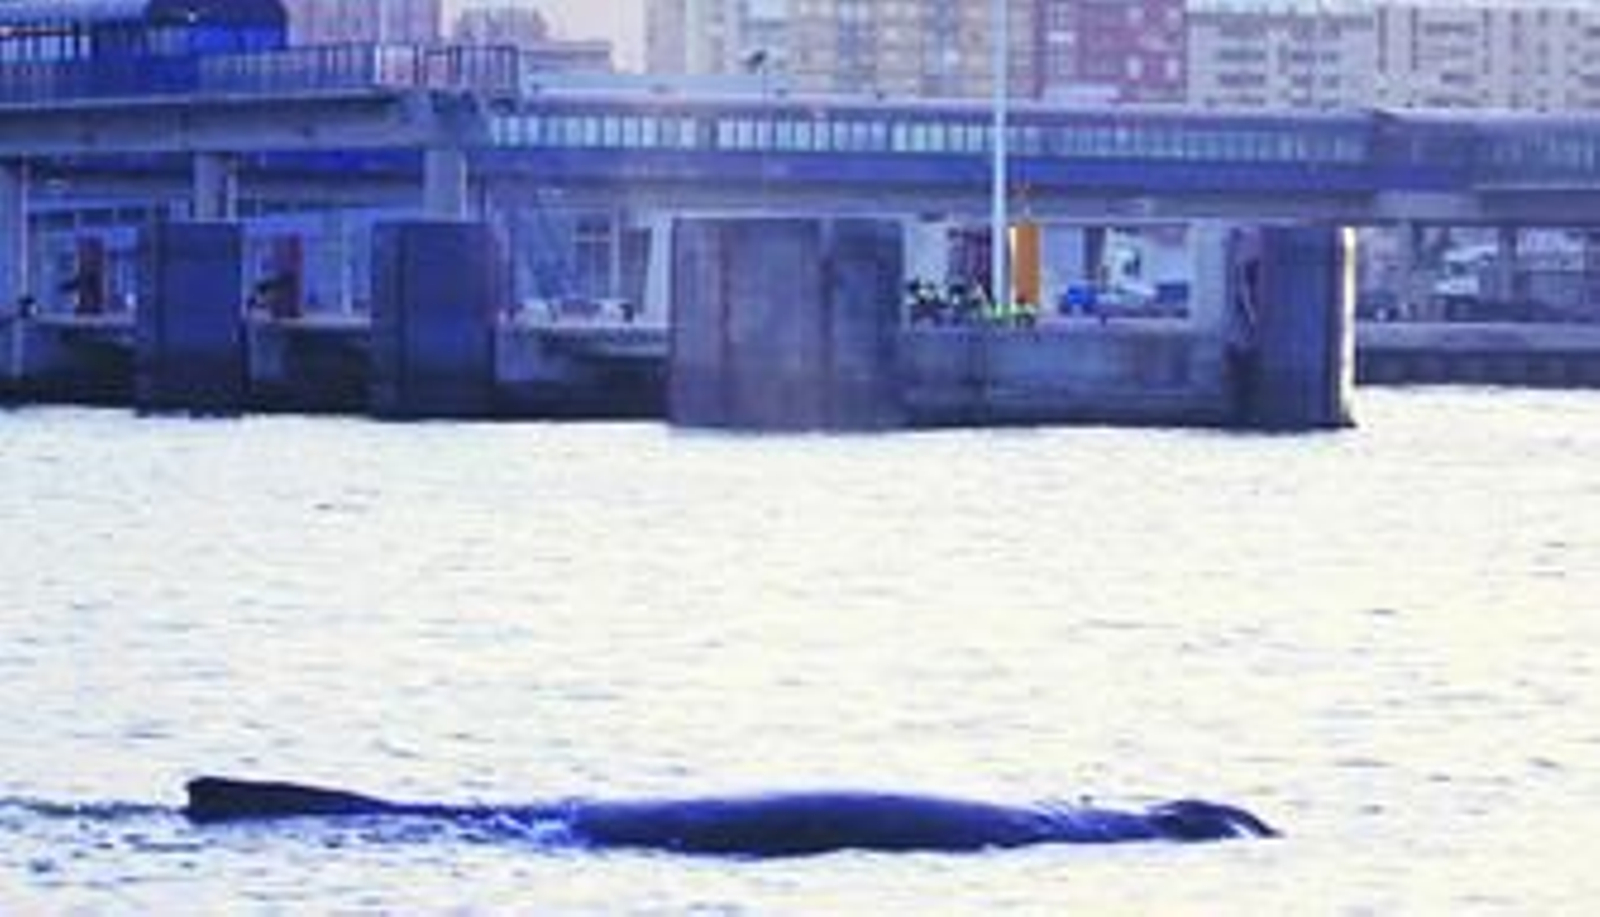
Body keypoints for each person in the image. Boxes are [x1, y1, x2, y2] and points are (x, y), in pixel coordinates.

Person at [1226, 237, 1263, 426]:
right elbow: (1245, 297)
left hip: (1241, 349)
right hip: (1243, 351)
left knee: (1242, 387)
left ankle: (1244, 412)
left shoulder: (1247, 274)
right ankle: (1245, 412)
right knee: (1244, 384)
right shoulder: (1247, 276)